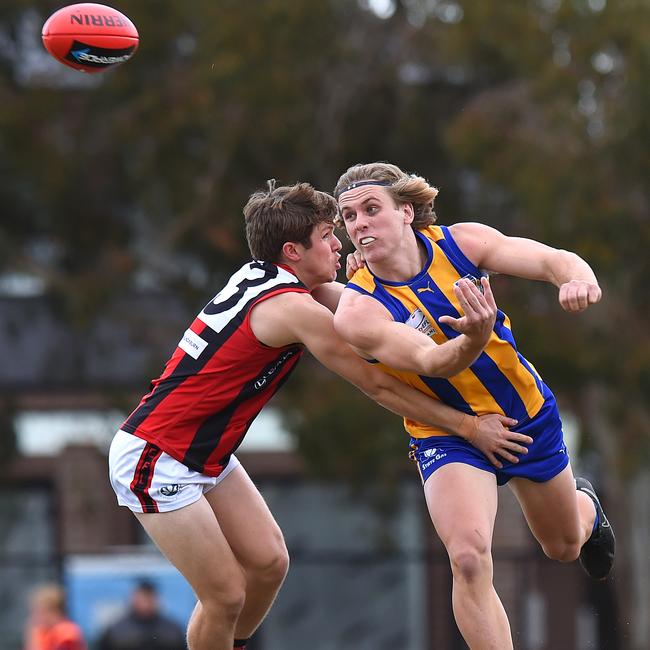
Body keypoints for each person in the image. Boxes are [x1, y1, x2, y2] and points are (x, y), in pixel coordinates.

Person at [108, 180, 527, 650]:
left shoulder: (269, 276)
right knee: (225, 596)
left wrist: (377, 281)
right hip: (157, 455)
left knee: (268, 564)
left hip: (202, 451)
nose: (339, 243)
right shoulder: (292, 308)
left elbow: (368, 313)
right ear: (292, 250)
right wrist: (469, 426)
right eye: (328, 234)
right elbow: (378, 382)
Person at [333, 162, 615, 650]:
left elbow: (553, 259)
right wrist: (475, 337)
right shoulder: (358, 310)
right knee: (467, 557)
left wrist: (577, 276)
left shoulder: (463, 243)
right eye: (349, 216)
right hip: (445, 435)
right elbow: (430, 361)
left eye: (371, 209)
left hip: (523, 415)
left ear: (406, 212)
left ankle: (585, 507)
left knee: (564, 546)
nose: (359, 224)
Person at [97, 579, 186, 650]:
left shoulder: (172, 630)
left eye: (149, 598)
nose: (146, 603)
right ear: (133, 598)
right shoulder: (115, 630)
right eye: (143, 598)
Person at [24, 584, 86, 650]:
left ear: (53, 612)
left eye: (37, 611)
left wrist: (34, 639)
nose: (33, 617)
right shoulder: (46, 632)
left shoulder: (65, 635)